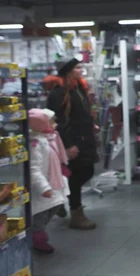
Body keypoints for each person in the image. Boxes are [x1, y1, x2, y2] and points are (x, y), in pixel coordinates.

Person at [45, 58, 97, 230]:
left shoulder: (77, 88)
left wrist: (91, 124)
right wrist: (67, 145)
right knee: (76, 175)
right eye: (77, 67)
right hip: (73, 141)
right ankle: (76, 213)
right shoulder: (59, 93)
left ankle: (59, 199)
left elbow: (79, 113)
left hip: (84, 138)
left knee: (87, 171)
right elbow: (58, 121)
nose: (81, 69)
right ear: (68, 71)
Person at [29, 108, 70, 254]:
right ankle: (37, 238)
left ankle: (37, 233)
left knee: (55, 206)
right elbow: (34, 169)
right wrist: (44, 187)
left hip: (54, 183)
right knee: (41, 214)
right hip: (43, 188)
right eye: (52, 121)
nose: (55, 124)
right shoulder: (36, 144)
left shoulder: (50, 139)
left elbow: (55, 159)